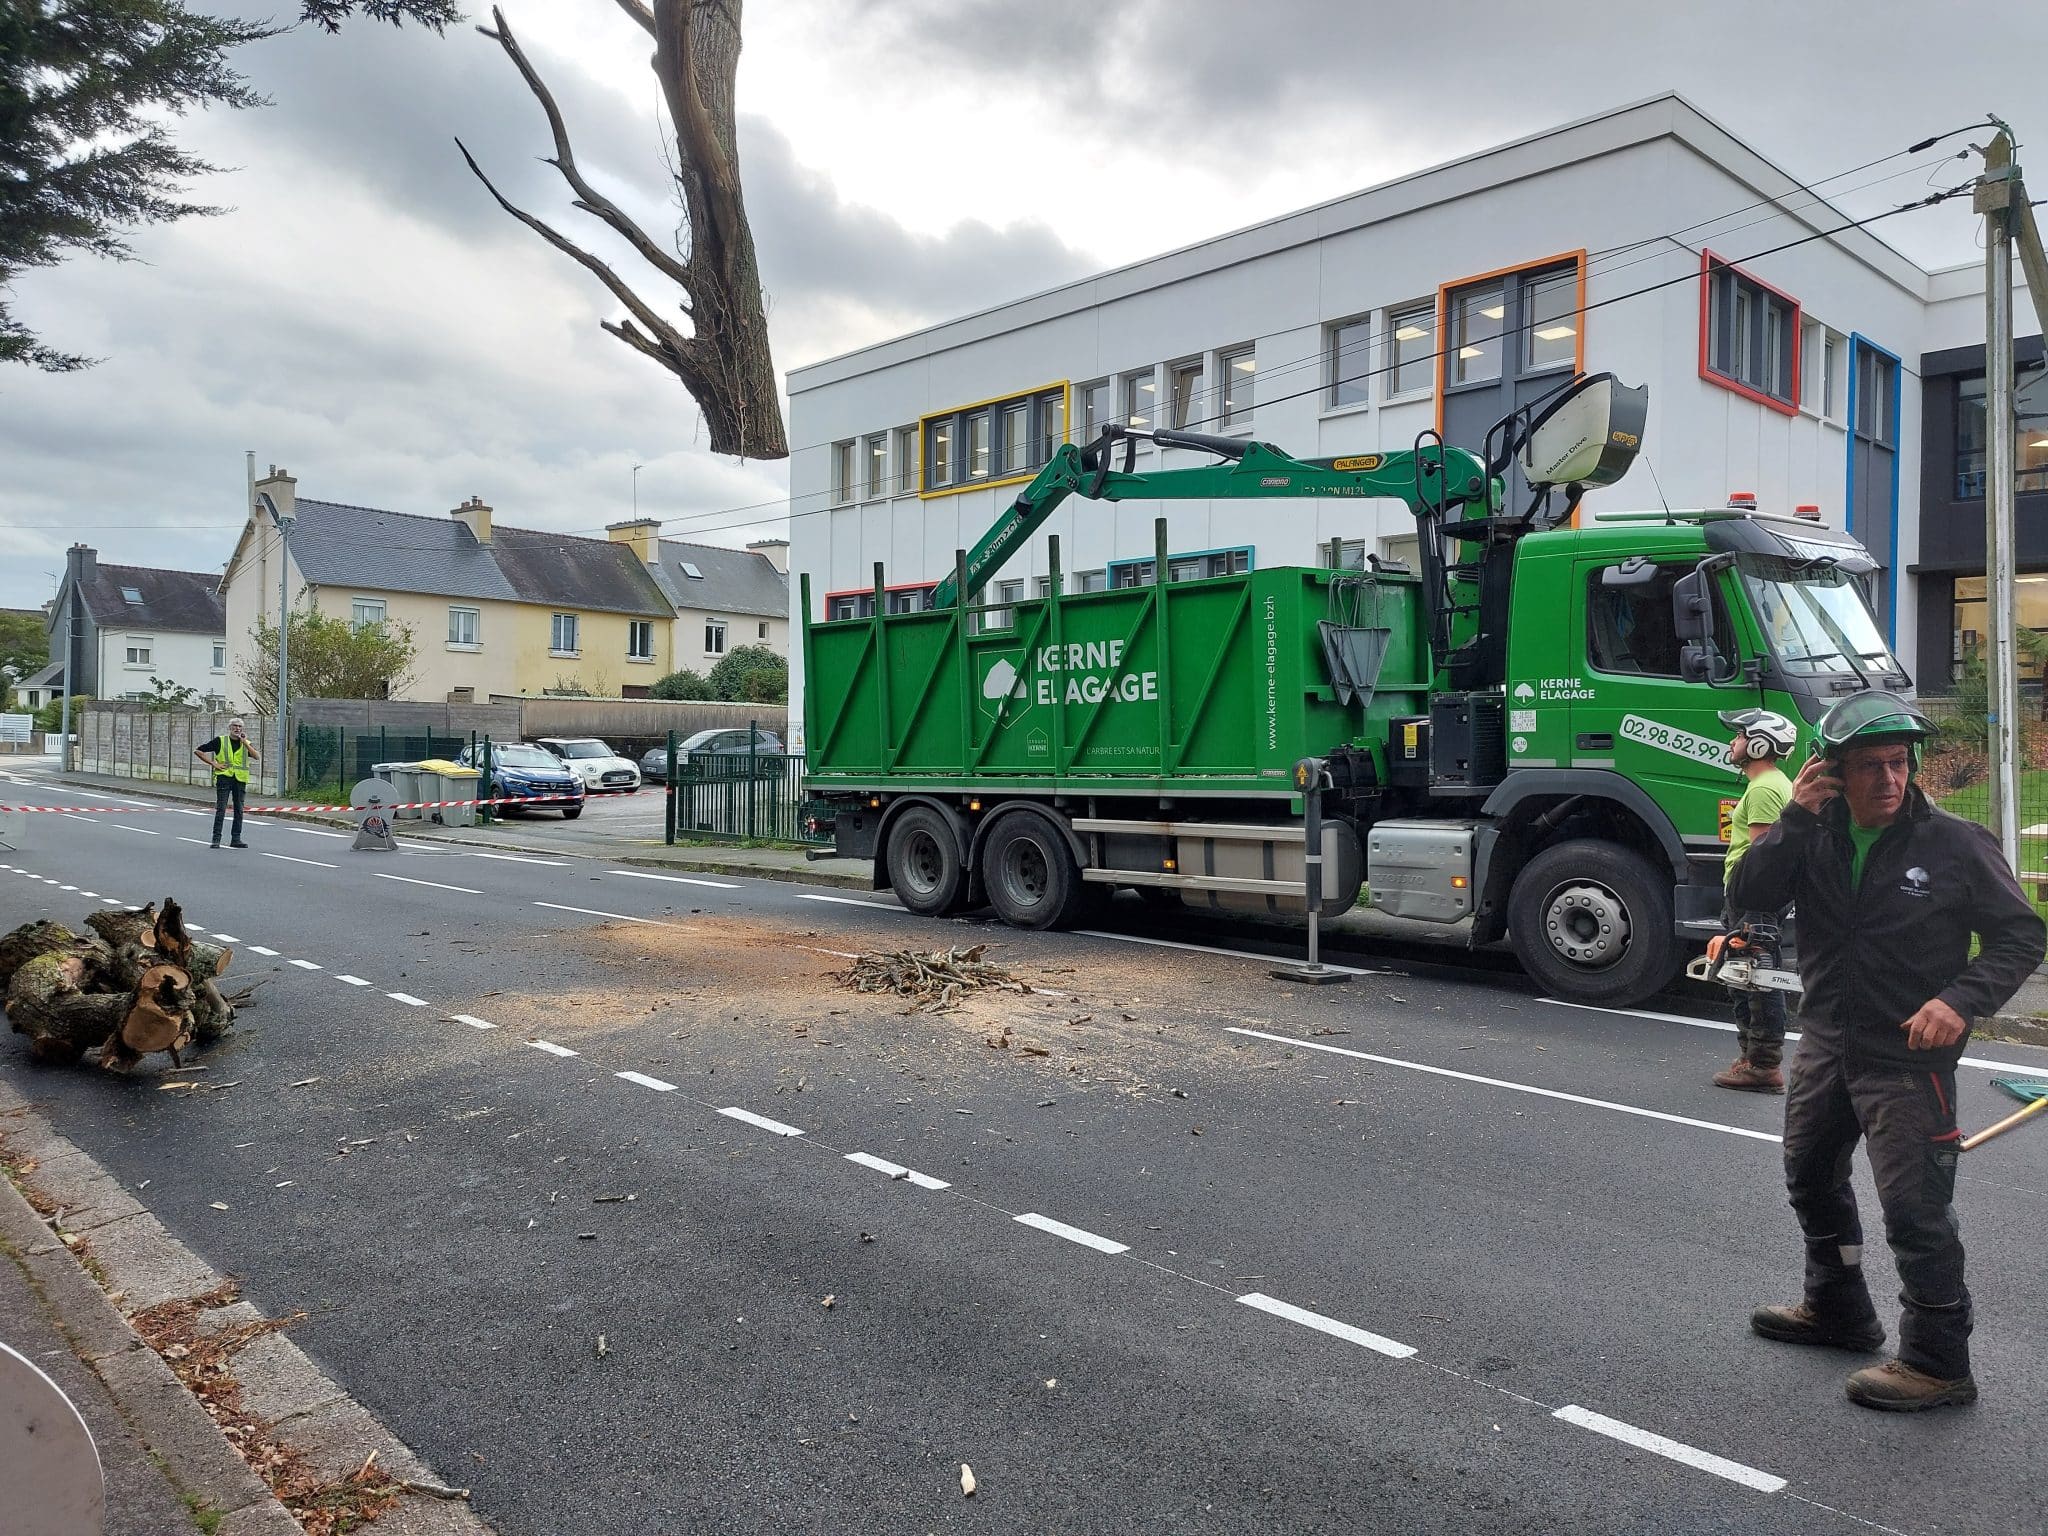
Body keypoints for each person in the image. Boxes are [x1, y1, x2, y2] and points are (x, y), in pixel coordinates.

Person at [1729, 692, 2046, 1411]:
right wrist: (1792, 819)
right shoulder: (1810, 832)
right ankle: (1839, 1310)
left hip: (1907, 1062)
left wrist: (1959, 1001)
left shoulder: (1956, 845)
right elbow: (1750, 896)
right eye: (1869, 766)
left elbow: (2023, 935)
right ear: (1830, 772)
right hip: (1826, 1044)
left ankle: (1939, 1364)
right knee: (1811, 1178)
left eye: (1899, 764)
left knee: (1916, 1213)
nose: (1889, 780)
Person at [1712, 707, 1798, 1092]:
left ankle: (1762, 1064)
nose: (1733, 741)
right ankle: (1752, 1057)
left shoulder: (1764, 788)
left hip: (1752, 896)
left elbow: (1763, 856)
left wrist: (1750, 909)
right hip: (1751, 896)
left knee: (1755, 977)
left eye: (1741, 735)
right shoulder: (1772, 783)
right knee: (1746, 975)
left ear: (1760, 743)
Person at [195, 718, 259, 850]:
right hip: (224, 777)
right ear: (230, 728)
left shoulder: (246, 743)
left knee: (239, 810)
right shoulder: (221, 741)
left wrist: (245, 743)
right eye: (235, 726)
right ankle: (216, 839)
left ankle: (236, 839)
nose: (237, 729)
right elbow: (199, 751)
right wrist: (213, 763)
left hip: (240, 779)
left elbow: (257, 756)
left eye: (240, 727)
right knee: (221, 809)